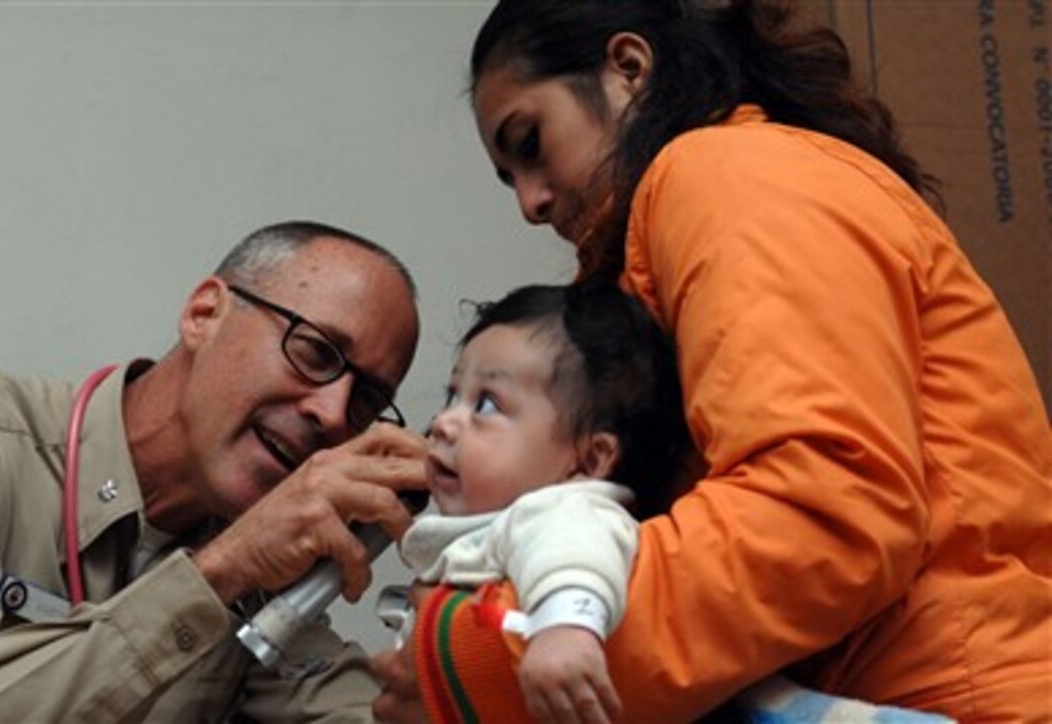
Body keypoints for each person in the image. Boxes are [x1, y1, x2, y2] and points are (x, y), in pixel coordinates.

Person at [372, 1, 1052, 721]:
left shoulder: (731, 175)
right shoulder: (653, 249)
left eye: (530, 143)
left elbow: (825, 513)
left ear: (628, 69)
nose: (531, 204)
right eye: (508, 178)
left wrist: (481, 666)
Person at [0, 220, 428, 721]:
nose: (334, 413)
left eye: (367, 400)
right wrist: (220, 572)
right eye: (316, 352)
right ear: (203, 314)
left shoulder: (262, 577)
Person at [393, 280, 690, 723]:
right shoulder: (506, 526)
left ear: (589, 460)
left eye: (487, 406)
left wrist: (565, 630)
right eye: (453, 395)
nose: (444, 423)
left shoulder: (564, 510)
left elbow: (574, 551)